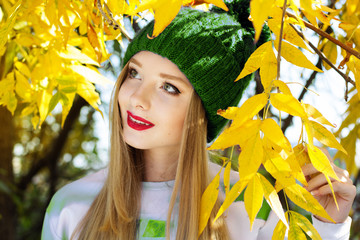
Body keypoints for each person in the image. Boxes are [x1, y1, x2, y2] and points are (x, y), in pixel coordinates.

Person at [41, 0, 356, 239]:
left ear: (205, 112)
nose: (137, 98)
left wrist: (331, 228)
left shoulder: (250, 205)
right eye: (134, 73)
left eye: (169, 87)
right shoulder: (72, 205)